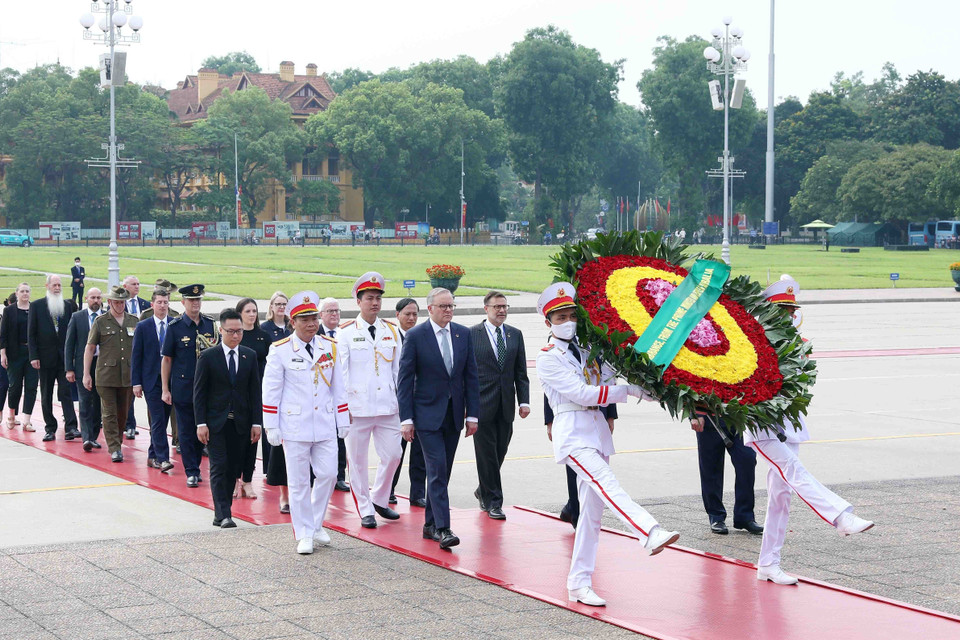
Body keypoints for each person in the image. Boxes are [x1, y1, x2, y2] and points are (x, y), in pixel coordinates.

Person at [709, 275, 873, 585]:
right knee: (793, 470)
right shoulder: (753, 343)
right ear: (768, 312)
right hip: (760, 425)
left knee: (781, 496)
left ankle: (769, 563)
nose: (786, 315)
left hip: (789, 425)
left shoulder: (796, 344)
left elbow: (800, 386)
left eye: (789, 309)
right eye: (780, 310)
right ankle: (840, 516)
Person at [537, 282, 678, 607]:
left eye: (572, 315)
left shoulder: (588, 351)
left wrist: (647, 384)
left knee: (591, 513)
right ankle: (649, 531)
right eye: (560, 317)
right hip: (573, 433)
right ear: (548, 323)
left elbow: (612, 376)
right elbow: (584, 393)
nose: (568, 321)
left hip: (597, 431)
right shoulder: (547, 359)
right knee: (608, 484)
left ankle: (579, 583)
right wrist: (627, 391)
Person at [262, 290, 350, 554]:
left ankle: (313, 523)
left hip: (324, 423)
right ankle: (304, 534)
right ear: (293, 322)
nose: (312, 324)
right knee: (299, 483)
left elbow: (338, 387)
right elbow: (271, 390)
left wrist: (342, 418)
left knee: (329, 474)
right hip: (295, 425)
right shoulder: (280, 350)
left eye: (314, 318)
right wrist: (271, 424)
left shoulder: (329, 347)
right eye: (305, 319)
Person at [397, 287, 480, 550]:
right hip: (426, 416)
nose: (448, 310)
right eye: (443, 306)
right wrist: (406, 419)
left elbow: (471, 377)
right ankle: (444, 528)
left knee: (443, 472)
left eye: (451, 306)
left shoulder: (463, 334)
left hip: (454, 415)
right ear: (430, 309)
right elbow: (405, 380)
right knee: (436, 470)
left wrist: (473, 415)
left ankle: (430, 525)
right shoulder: (416, 336)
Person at [339, 273, 402, 528]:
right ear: (358, 301)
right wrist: (343, 408)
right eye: (369, 298)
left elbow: (399, 371)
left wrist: (403, 405)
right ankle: (365, 508)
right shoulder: (345, 334)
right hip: (357, 407)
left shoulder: (392, 331)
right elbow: (341, 373)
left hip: (388, 405)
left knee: (394, 455)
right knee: (357, 462)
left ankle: (379, 497)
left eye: (378, 298)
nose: (374, 303)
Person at [194, 308, 263, 529]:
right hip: (216, 423)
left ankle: (221, 514)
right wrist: (201, 423)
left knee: (234, 468)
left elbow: (255, 391)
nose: (236, 336)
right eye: (231, 331)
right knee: (219, 466)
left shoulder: (249, 356)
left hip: (241, 422)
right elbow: (199, 392)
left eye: (239, 331)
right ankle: (223, 513)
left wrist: (256, 422)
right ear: (221, 330)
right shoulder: (208, 357)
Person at [469, 291, 530, 520]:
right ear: (486, 308)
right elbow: (466, 373)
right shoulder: (471, 334)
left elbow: (520, 372)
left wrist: (524, 401)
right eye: (497, 307)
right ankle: (494, 502)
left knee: (499, 451)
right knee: (486, 455)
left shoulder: (515, 334)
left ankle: (483, 489)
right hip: (481, 404)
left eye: (505, 306)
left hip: (506, 405)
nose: (502, 310)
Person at [161, 284, 217, 488]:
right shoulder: (176, 327)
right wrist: (165, 389)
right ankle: (191, 471)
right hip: (184, 388)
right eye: (191, 300)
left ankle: (205, 467)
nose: (195, 304)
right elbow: (167, 359)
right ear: (183, 302)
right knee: (185, 431)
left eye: (198, 300)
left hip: (207, 389)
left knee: (205, 428)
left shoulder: (210, 325)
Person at [543, 396, 617, 529]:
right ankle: (576, 516)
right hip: (573, 420)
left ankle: (572, 508)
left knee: (596, 470)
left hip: (598, 416)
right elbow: (550, 388)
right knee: (575, 470)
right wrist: (550, 420)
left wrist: (611, 415)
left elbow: (608, 379)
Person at [83, 286, 138, 462]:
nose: (120, 306)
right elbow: (90, 348)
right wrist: (86, 373)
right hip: (106, 376)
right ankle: (114, 447)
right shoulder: (101, 321)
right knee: (109, 413)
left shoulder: (134, 321)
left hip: (127, 376)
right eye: (116, 302)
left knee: (123, 412)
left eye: (122, 302)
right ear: (109, 302)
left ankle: (117, 441)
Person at [28, 274, 79, 441]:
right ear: (47, 286)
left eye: (59, 285)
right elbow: (32, 334)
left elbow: (72, 334)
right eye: (54, 285)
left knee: (66, 391)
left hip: (63, 359)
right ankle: (50, 427)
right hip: (44, 357)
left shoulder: (66, 306)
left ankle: (71, 426)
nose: (57, 288)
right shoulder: (36, 306)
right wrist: (34, 356)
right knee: (46, 393)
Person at [132, 287, 176, 472]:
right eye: (159, 302)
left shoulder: (175, 324)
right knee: (157, 419)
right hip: (151, 380)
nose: (163, 306)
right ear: (152, 304)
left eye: (166, 302)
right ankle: (162, 458)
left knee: (164, 418)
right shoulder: (143, 326)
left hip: (172, 380)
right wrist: (136, 382)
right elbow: (137, 355)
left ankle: (152, 454)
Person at [389, 298, 426, 506]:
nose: (411, 318)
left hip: (420, 402)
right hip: (398, 404)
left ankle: (418, 493)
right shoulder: (390, 337)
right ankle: (389, 490)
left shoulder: (422, 337)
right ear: (398, 315)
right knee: (395, 451)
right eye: (407, 314)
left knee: (420, 451)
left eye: (414, 314)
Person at [235, 297, 270, 499]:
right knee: (235, 440)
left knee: (252, 439)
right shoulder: (236, 336)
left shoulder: (263, 337)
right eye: (247, 311)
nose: (251, 315)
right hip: (237, 393)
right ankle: (234, 479)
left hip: (258, 393)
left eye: (254, 311)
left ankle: (247, 481)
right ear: (240, 313)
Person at [65, 288, 104, 451]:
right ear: (87, 299)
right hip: (83, 366)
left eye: (98, 298)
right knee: (85, 401)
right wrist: (69, 369)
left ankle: (94, 436)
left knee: (98, 403)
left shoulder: (106, 317)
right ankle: (86, 437)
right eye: (92, 298)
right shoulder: (77, 317)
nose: (95, 300)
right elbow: (69, 344)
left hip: (103, 366)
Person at [317, 297, 349, 492]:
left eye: (337, 311)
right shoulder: (315, 334)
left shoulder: (344, 334)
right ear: (321, 315)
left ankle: (340, 475)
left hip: (340, 394)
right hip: (321, 396)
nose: (334, 314)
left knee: (341, 436)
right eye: (330, 311)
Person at [1, 283, 38, 431]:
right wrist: (3, 353)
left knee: (31, 386)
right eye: (22, 291)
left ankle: (27, 420)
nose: (25, 294)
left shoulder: (35, 310)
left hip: (32, 353)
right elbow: (3, 334)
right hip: (15, 353)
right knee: (14, 386)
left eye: (27, 291)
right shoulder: (9, 311)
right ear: (16, 293)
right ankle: (11, 415)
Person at [122, 276, 150, 440]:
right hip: (127, 354)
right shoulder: (120, 304)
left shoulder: (145, 305)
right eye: (133, 284)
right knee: (130, 392)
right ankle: (130, 425)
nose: (137, 286)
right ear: (125, 286)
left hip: (144, 354)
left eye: (139, 284)